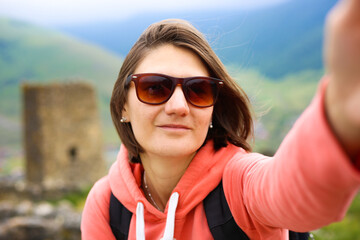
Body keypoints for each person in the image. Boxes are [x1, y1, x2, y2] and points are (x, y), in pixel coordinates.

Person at [81, 0, 360, 239]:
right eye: (155, 88)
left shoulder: (239, 185)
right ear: (123, 107)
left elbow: (293, 191)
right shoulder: (107, 204)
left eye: (198, 90)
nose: (178, 106)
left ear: (213, 108)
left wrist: (340, 117)